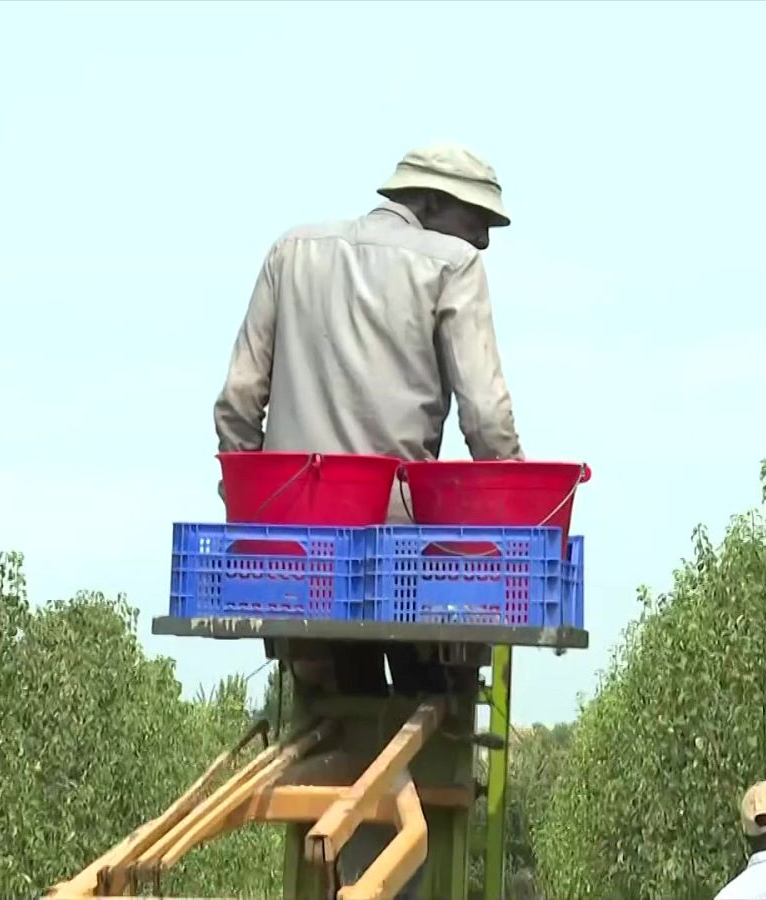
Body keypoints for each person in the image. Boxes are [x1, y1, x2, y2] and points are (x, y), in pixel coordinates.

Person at [211, 143, 526, 898]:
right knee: (432, 717)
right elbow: (486, 419)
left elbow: (236, 404)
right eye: (475, 224)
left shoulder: (293, 251)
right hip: (398, 562)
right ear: (434, 206)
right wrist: (519, 521)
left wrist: (255, 509)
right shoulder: (448, 267)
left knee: (335, 721)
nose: (479, 244)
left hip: (296, 558)